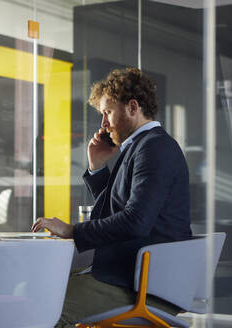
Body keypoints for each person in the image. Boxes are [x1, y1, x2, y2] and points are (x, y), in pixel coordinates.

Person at [31, 67, 192, 327]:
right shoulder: (143, 146)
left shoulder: (154, 149)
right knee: (42, 287)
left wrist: (72, 229)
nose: (103, 124)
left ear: (132, 107)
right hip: (131, 273)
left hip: (142, 284)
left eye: (107, 112)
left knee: (44, 308)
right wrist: (97, 167)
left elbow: (135, 222)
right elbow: (121, 208)